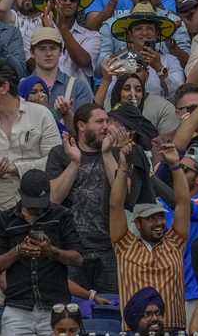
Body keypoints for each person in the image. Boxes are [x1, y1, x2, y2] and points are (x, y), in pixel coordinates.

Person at [0, 169, 84, 336]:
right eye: (31, 203)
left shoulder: (61, 215)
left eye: (40, 202)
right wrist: (18, 251)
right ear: (20, 194)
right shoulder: (5, 219)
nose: (36, 208)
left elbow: (78, 259)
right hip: (17, 307)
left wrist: (51, 251)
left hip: (55, 307)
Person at [109, 135, 190, 331]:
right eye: (151, 218)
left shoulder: (175, 242)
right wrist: (122, 168)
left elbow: (183, 203)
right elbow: (115, 206)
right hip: (134, 331)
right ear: (137, 222)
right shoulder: (124, 244)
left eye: (161, 217)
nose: (159, 223)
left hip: (172, 329)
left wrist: (175, 167)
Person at [43, 103, 115, 296]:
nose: (106, 126)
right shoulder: (60, 153)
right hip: (71, 250)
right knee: (71, 312)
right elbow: (53, 198)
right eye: (99, 121)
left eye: (107, 121)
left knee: (111, 309)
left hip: (108, 249)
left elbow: (122, 195)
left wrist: (108, 154)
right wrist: (75, 162)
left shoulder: (113, 152)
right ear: (82, 126)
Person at [0, 61, 61, 212]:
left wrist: (15, 168)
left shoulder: (41, 115)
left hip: (38, 205)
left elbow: (55, 162)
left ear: (4, 87)